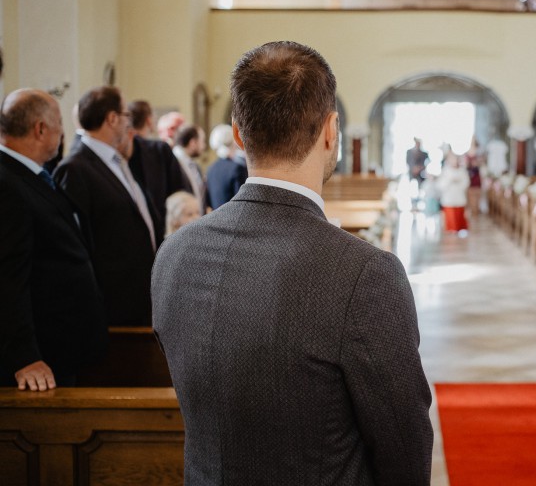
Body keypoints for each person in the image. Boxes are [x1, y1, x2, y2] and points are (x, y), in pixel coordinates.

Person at [151, 41, 433, 484]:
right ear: (330, 130)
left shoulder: (173, 254)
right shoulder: (364, 273)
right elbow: (404, 450)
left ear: (239, 134)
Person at [0, 89, 107, 391]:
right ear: (41, 129)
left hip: (63, 349)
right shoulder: (7, 184)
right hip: (41, 360)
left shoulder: (31, 175)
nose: (63, 132)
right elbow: (7, 278)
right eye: (60, 122)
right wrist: (24, 356)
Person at [54, 86, 158, 326]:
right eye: (125, 116)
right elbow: (78, 246)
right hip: (112, 307)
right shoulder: (75, 168)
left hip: (138, 300)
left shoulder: (115, 160)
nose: (128, 124)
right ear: (112, 119)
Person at [127, 100, 191, 231]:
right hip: (165, 225)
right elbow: (179, 190)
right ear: (149, 120)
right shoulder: (160, 150)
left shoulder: (121, 153)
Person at [205, 123, 248, 209]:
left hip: (215, 219)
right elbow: (243, 202)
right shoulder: (236, 168)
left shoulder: (211, 169)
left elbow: (208, 201)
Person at [173, 124, 208, 213]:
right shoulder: (173, 161)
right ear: (193, 143)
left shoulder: (193, 165)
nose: (203, 146)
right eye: (202, 141)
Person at [437, 152, 470, 233]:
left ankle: (460, 231)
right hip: (449, 198)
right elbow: (440, 185)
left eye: (455, 159)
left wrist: (458, 182)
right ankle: (451, 231)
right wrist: (450, 181)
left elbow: (466, 182)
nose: (454, 161)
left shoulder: (462, 170)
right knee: (450, 218)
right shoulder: (445, 171)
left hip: (459, 196)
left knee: (459, 216)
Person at [465, 137, 484, 216]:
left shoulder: (479, 154)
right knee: (470, 196)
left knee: (477, 195)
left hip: (477, 178)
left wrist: (478, 163)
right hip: (470, 178)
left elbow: (482, 165)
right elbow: (465, 166)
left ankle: (476, 211)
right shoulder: (467, 155)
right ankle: (472, 211)